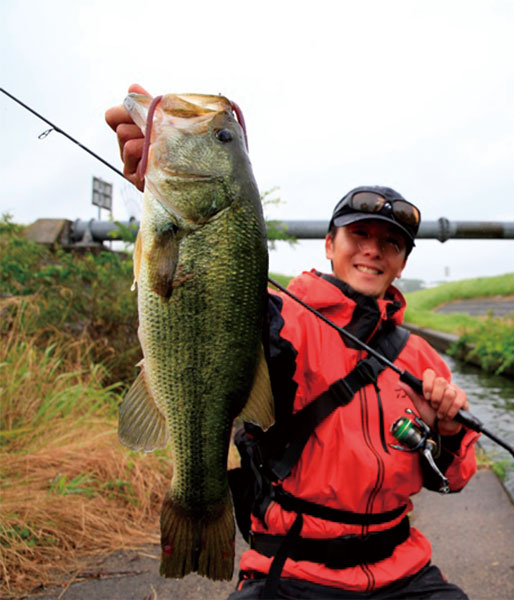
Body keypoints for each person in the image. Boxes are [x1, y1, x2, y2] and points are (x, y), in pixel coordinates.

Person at [106, 85, 480, 599]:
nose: (373, 251)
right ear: (329, 245)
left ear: (403, 263)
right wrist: (143, 189)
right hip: (291, 571)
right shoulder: (283, 315)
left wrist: (450, 429)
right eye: (358, 236)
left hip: (403, 571)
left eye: (390, 243)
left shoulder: (421, 357)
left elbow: (450, 480)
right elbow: (209, 297)